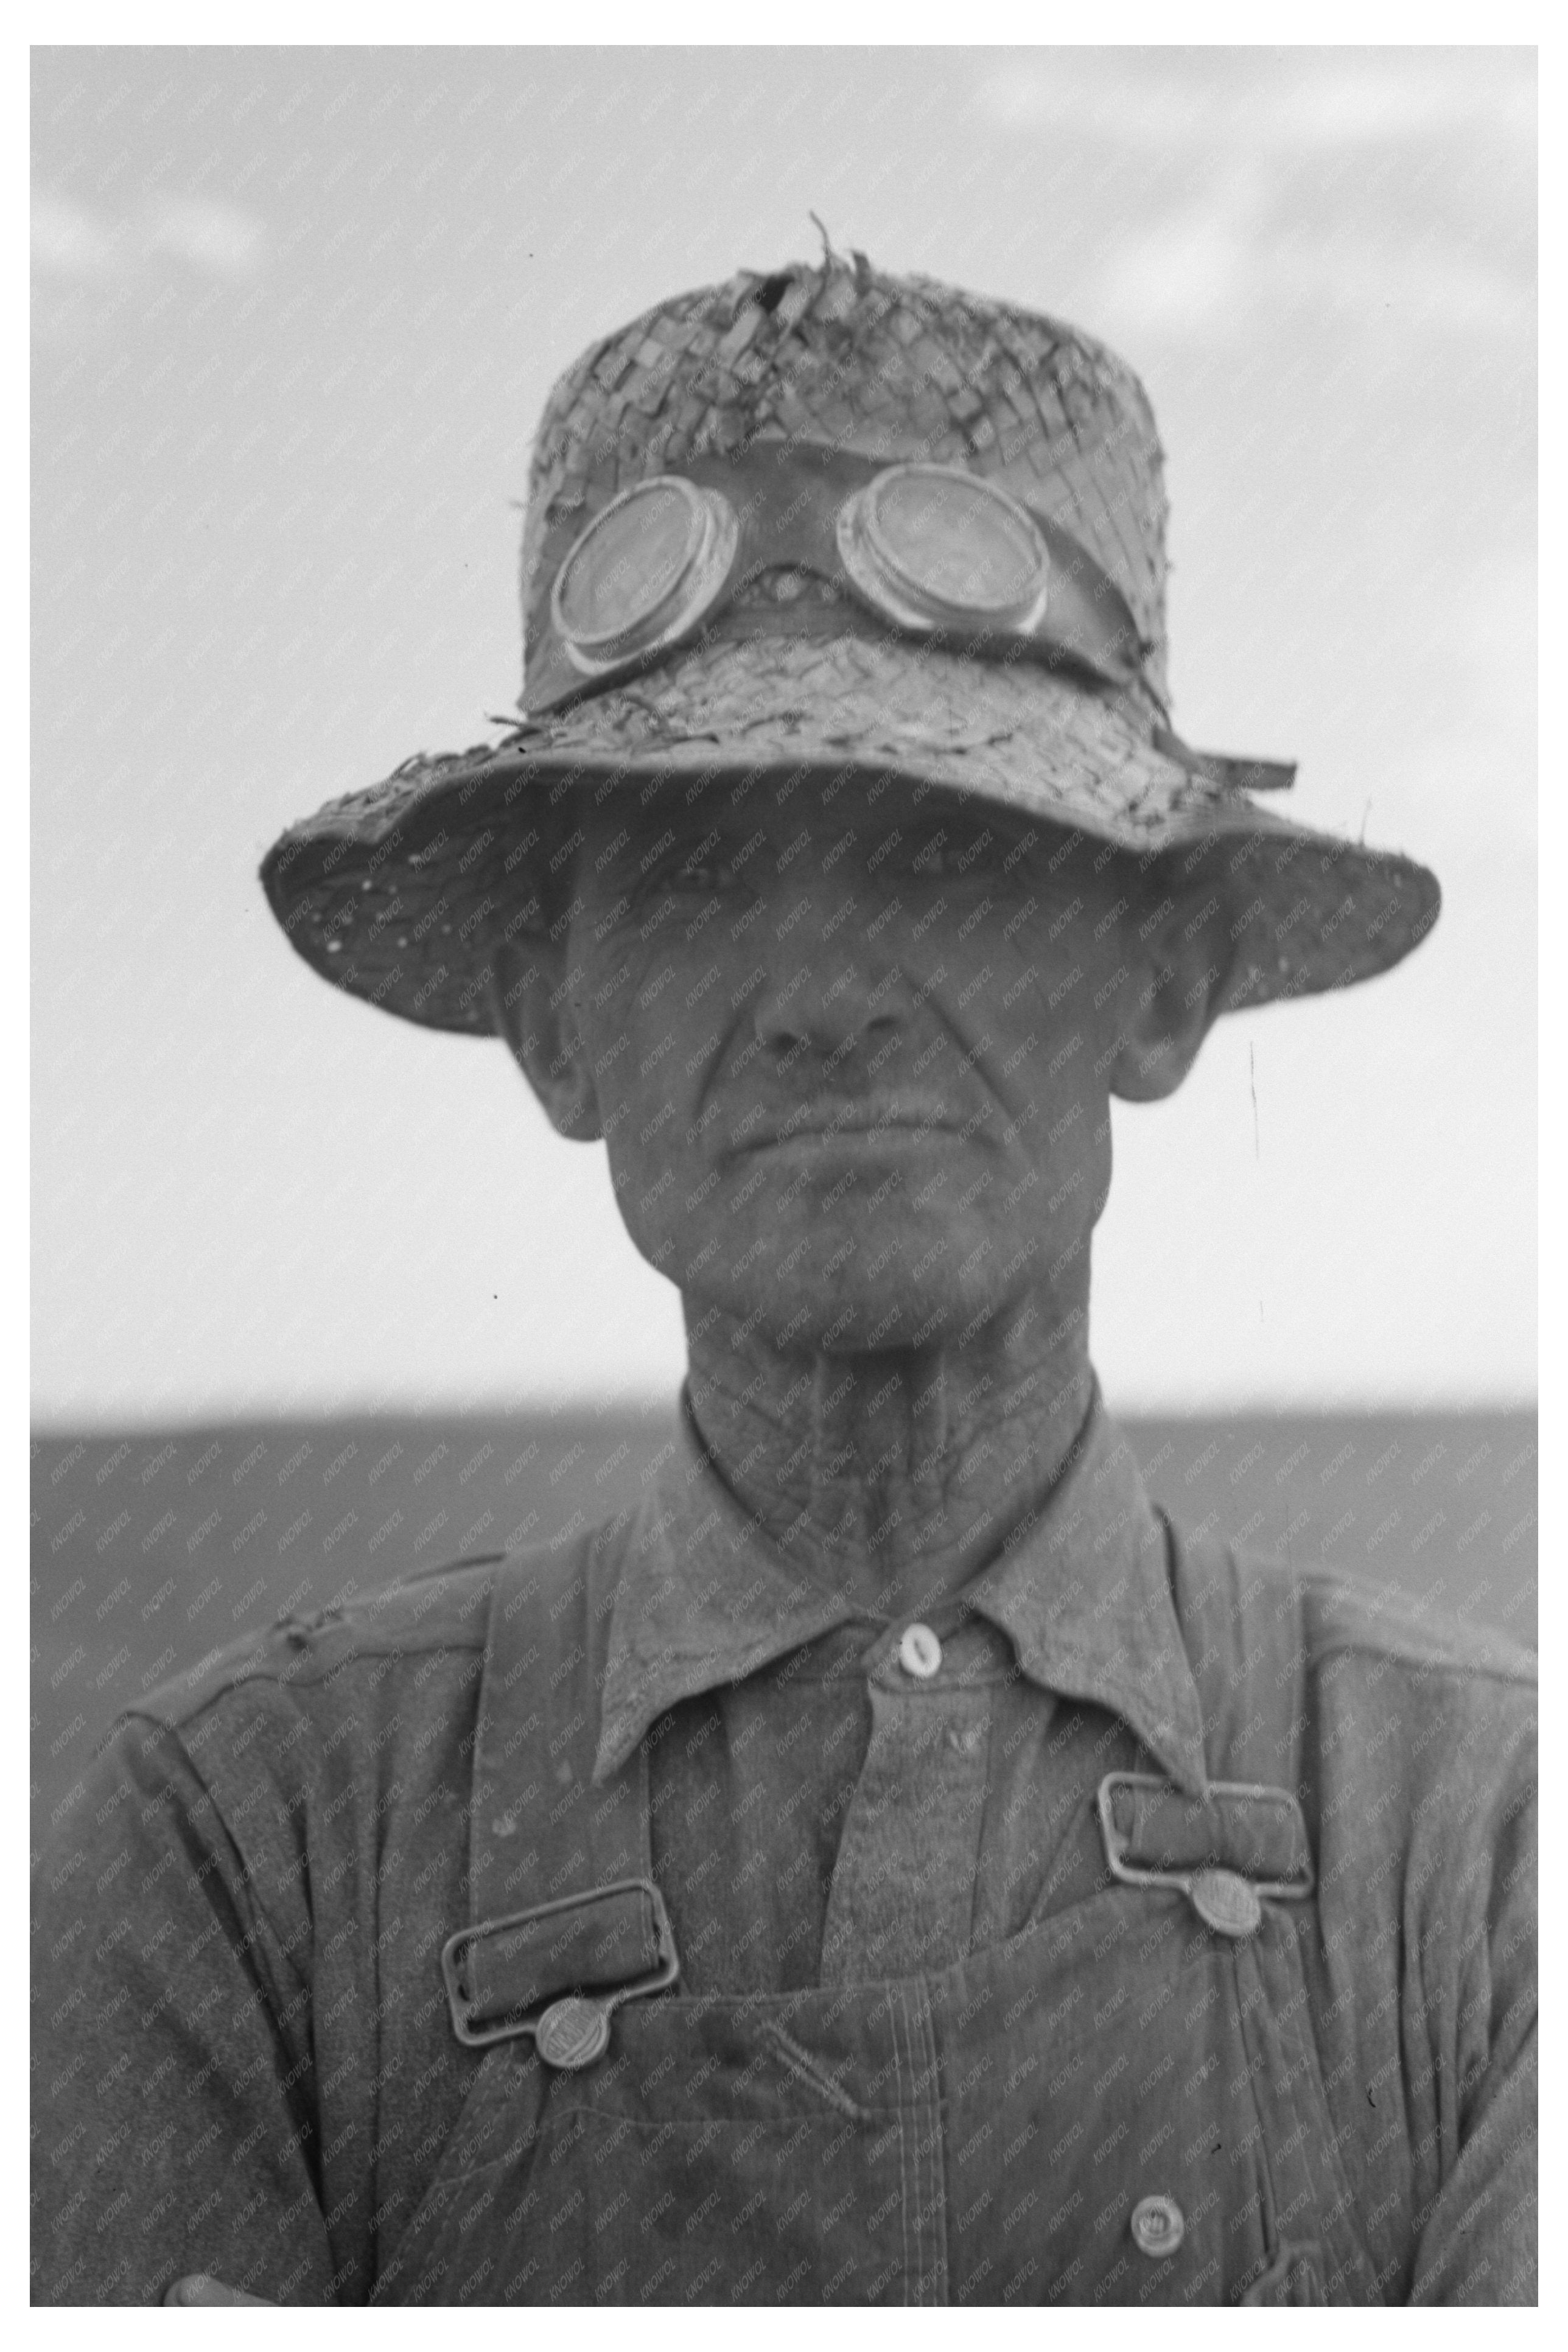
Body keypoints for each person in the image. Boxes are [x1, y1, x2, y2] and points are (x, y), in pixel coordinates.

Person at [31, 251, 1535, 2308]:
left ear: (1163, 977)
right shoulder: (247, 1853)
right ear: (555, 1024)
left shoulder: (1491, 1844)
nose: (824, 997)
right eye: (698, 869)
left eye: (945, 849)